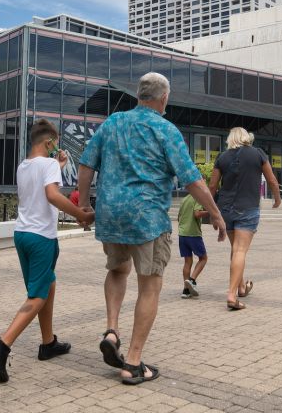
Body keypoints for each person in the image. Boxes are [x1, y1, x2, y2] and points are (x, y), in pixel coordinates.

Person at [77, 72, 226, 385]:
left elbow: (86, 164)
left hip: (111, 214)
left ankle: (111, 331)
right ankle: (132, 362)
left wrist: (85, 205)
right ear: (164, 98)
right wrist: (215, 213)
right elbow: (191, 179)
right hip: (146, 218)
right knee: (150, 285)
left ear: (138, 95)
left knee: (118, 270)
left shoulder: (113, 122)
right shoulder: (165, 129)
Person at [0, 119, 95, 383]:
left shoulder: (24, 166)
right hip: (42, 237)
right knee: (37, 296)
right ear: (49, 142)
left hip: (22, 234)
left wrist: (57, 166)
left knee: (48, 284)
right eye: (54, 143)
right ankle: (2, 345)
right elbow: (52, 195)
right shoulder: (48, 165)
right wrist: (80, 213)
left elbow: (39, 185)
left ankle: (48, 343)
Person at [209, 127, 281, 311]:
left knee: (235, 249)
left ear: (230, 139)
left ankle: (241, 287)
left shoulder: (222, 157)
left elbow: (212, 185)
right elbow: (271, 180)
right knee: (240, 250)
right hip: (247, 208)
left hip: (226, 209)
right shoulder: (257, 154)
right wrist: (277, 198)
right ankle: (231, 295)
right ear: (246, 137)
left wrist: (210, 209)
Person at [177, 178, 209, 298]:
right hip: (193, 234)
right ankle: (192, 280)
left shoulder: (184, 199)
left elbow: (179, 217)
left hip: (182, 234)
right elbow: (197, 213)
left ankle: (186, 290)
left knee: (187, 261)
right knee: (203, 258)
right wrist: (209, 211)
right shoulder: (198, 198)